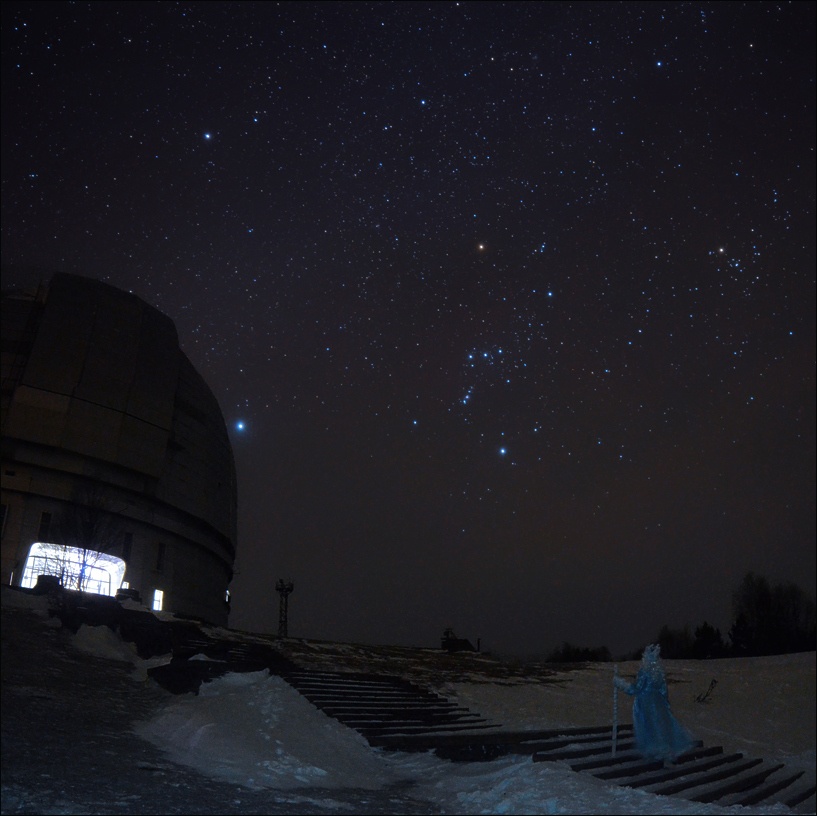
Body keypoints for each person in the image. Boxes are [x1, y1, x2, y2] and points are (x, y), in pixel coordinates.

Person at [614, 643, 695, 763]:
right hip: (658, 703)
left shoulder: (645, 671)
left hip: (645, 703)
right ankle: (664, 753)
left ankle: (658, 752)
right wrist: (665, 705)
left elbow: (636, 688)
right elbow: (664, 690)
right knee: (660, 726)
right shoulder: (659, 672)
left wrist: (620, 683)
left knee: (649, 727)